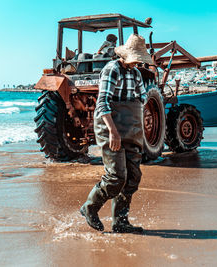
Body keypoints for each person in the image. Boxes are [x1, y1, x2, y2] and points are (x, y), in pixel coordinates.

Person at [80, 34, 153, 233]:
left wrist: (140, 112)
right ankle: (90, 207)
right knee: (116, 177)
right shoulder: (112, 70)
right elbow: (102, 103)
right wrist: (113, 132)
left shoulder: (137, 74)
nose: (138, 61)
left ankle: (120, 221)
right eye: (136, 58)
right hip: (110, 127)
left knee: (133, 177)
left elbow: (143, 98)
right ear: (126, 55)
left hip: (131, 129)